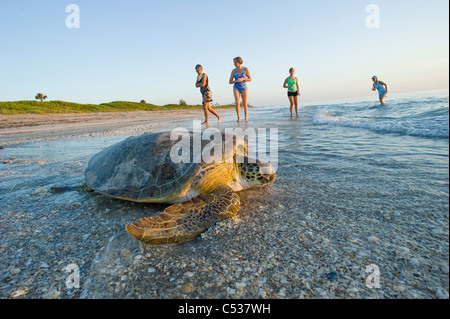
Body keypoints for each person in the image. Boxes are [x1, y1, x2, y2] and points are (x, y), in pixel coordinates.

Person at [229, 57, 252, 123]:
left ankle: (246, 118)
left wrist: (243, 79)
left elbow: (250, 79)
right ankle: (238, 118)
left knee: (245, 103)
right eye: (234, 62)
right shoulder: (233, 71)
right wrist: (236, 80)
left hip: (244, 87)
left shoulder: (245, 69)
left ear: (239, 62)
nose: (234, 64)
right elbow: (230, 82)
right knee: (237, 102)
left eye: (235, 62)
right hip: (236, 87)